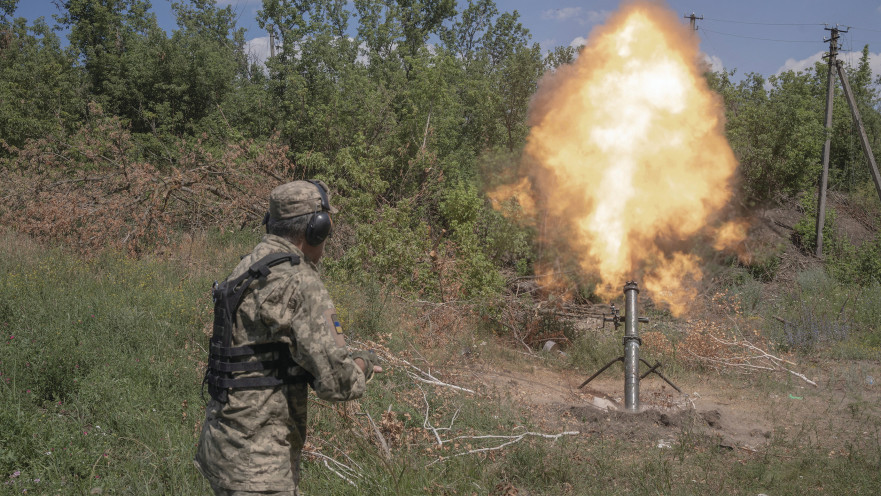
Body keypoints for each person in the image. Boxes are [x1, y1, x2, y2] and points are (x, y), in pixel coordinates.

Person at [194, 180, 381, 495]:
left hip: (221, 447)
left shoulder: (249, 266)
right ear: (314, 230)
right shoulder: (299, 283)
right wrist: (362, 363)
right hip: (260, 466)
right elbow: (337, 381)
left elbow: (268, 354)